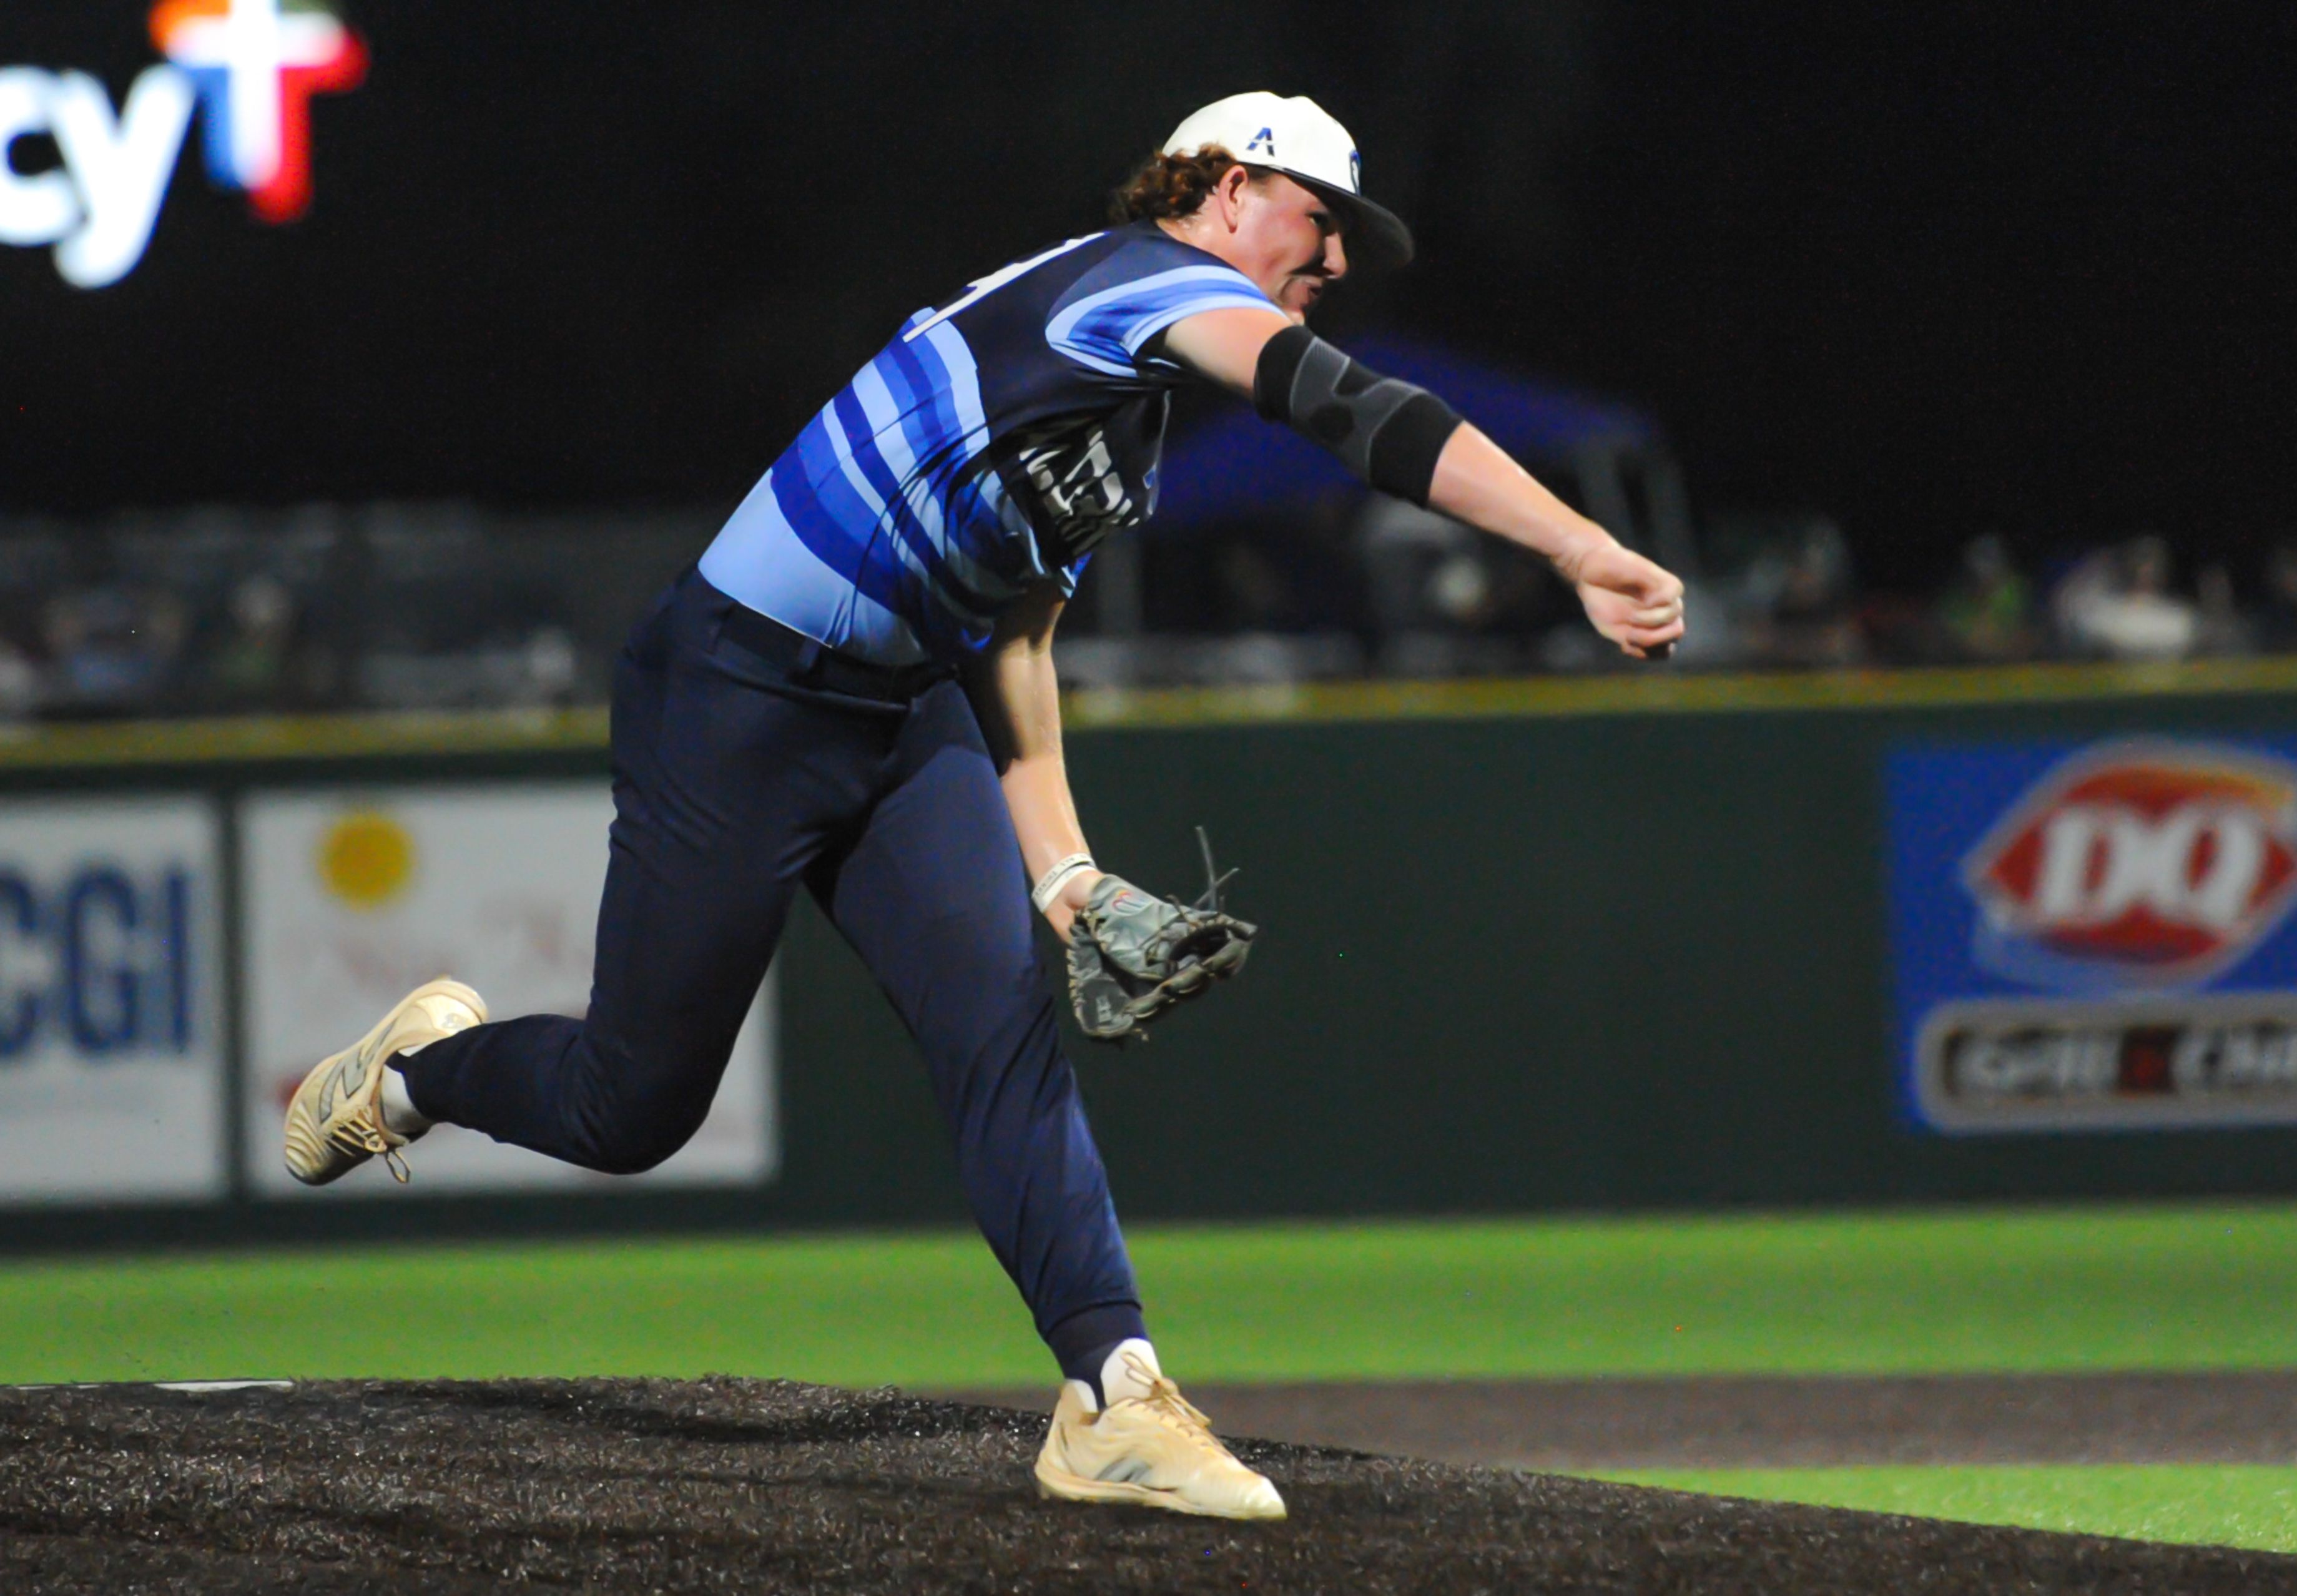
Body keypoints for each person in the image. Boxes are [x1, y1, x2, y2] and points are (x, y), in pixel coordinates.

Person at [281, 91, 1685, 1519]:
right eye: (1318, 220)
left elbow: (1012, 635)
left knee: (1001, 1024)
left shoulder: (1127, 426)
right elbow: (1345, 405)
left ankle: (1110, 1394)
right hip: (735, 695)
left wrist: (1065, 871)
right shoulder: (1129, 282)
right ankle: (416, 1073)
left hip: (899, 720)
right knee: (629, 1106)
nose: (1330, 260)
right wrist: (1578, 546)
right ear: (1224, 186)